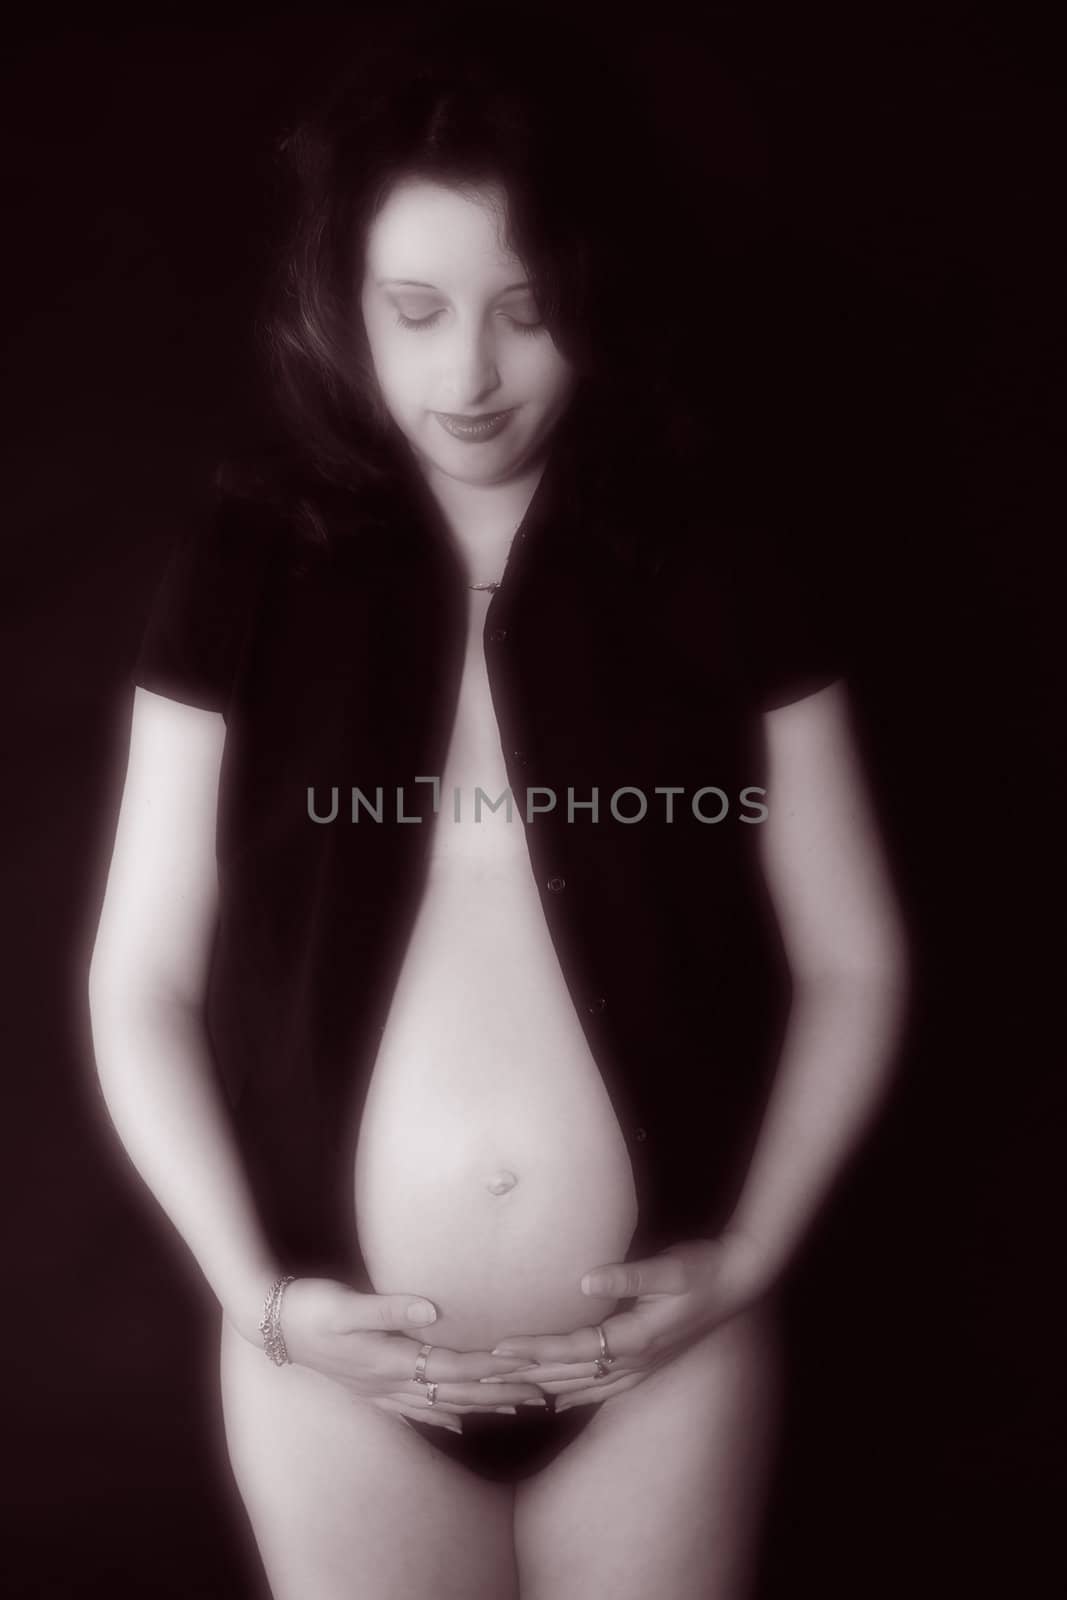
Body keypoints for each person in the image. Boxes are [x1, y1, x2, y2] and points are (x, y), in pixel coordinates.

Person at [87, 15, 911, 1599]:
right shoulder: (249, 563)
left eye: (527, 313)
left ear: (597, 299)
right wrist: (256, 1297)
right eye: (415, 311)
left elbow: (855, 957)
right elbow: (142, 975)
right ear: (346, 307)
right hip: (330, 1369)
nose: (466, 372)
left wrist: (747, 1265)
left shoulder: (713, 556)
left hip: (665, 1369)